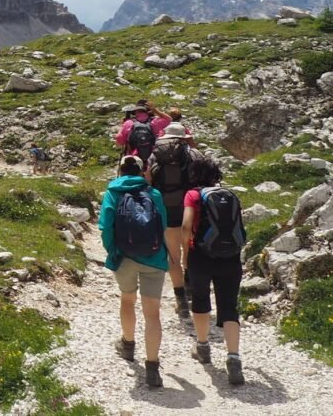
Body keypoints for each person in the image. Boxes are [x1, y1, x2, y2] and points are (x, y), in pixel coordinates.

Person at [100, 154, 169, 389]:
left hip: (124, 257)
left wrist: (113, 251)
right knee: (153, 314)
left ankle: (128, 345)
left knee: (127, 300)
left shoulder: (112, 192)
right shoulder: (154, 194)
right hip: (154, 258)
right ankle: (152, 368)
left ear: (119, 170)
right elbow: (163, 225)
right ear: (143, 170)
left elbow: (105, 227)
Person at [182, 157, 248, 386]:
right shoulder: (229, 195)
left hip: (200, 255)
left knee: (200, 299)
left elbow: (185, 225)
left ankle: (203, 346)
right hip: (231, 257)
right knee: (229, 306)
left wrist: (185, 254)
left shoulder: (193, 194)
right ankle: (233, 357)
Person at [148, 121, 201, 318]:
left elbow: (148, 179)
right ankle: (191, 289)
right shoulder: (193, 154)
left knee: (172, 256)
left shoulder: (157, 154)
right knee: (190, 248)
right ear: (184, 137)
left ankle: (181, 302)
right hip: (191, 208)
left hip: (167, 208)